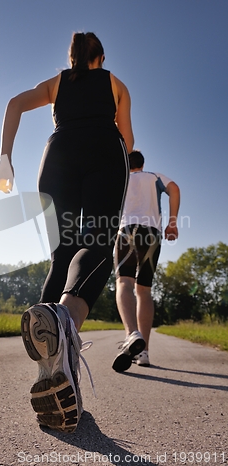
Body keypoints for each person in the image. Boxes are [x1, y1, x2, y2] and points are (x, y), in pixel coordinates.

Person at [0, 32, 134, 432]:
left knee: (61, 255)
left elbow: (14, 104)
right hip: (105, 152)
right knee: (98, 246)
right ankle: (66, 321)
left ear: (71, 57)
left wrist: (5, 159)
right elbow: (128, 137)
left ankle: (51, 365)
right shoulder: (115, 83)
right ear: (101, 57)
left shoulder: (56, 83)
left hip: (57, 156)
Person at [112, 150, 180, 372]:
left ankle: (132, 334)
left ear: (126, 163)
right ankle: (144, 352)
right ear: (142, 164)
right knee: (144, 291)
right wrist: (172, 222)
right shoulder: (155, 177)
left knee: (124, 283)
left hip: (127, 231)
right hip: (151, 234)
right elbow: (175, 189)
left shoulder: (120, 178)